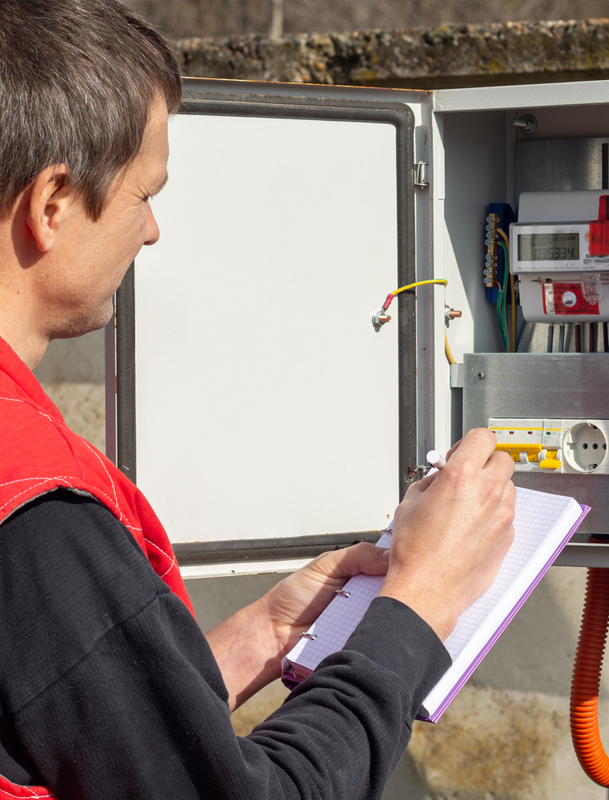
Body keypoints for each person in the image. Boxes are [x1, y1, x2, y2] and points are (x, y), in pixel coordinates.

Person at [0, 1, 516, 798]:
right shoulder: (38, 512)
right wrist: (418, 607)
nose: (152, 232)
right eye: (145, 195)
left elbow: (56, 710)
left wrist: (247, 645)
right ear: (53, 202)